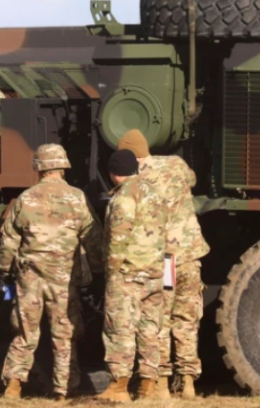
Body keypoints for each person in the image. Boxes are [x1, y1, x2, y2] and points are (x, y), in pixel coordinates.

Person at [0, 144, 102, 400]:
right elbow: (93, 237)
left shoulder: (26, 198)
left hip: (30, 278)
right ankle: (63, 388)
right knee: (64, 333)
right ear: (63, 166)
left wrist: (3, 270)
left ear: (40, 168)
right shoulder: (77, 197)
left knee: (25, 331)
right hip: (64, 280)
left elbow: (9, 240)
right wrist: (98, 271)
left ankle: (13, 384)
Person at [117, 129, 209, 399]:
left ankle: (161, 383)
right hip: (190, 255)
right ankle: (189, 381)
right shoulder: (176, 165)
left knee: (160, 318)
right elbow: (191, 179)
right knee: (188, 318)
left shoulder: (136, 181)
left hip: (165, 258)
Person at [98, 149, 170, 403]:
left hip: (128, 274)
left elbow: (119, 237)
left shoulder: (124, 198)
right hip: (153, 273)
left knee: (120, 329)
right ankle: (148, 386)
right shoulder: (154, 193)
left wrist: (111, 272)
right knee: (150, 329)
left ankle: (118, 387)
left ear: (112, 173)